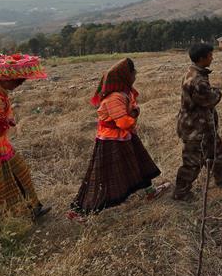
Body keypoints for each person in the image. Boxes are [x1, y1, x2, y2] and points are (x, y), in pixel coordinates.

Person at [69, 58, 167, 217]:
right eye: (133, 72)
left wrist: (133, 112)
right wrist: (135, 113)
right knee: (106, 176)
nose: (135, 75)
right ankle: (85, 210)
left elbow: (131, 110)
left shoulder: (124, 92)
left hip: (124, 136)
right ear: (125, 76)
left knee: (139, 163)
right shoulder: (114, 98)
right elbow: (124, 122)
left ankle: (150, 192)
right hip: (111, 140)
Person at [0, 54, 50, 236]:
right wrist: (7, 121)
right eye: (17, 80)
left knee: (19, 171)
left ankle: (31, 209)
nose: (20, 83)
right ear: (4, 79)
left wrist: (5, 120)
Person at [173, 44, 222, 201]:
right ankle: (181, 192)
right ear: (202, 58)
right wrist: (218, 92)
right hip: (196, 129)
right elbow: (210, 100)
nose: (212, 58)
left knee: (216, 150)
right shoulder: (198, 80)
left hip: (202, 125)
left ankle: (219, 175)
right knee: (193, 161)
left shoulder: (193, 72)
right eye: (210, 55)